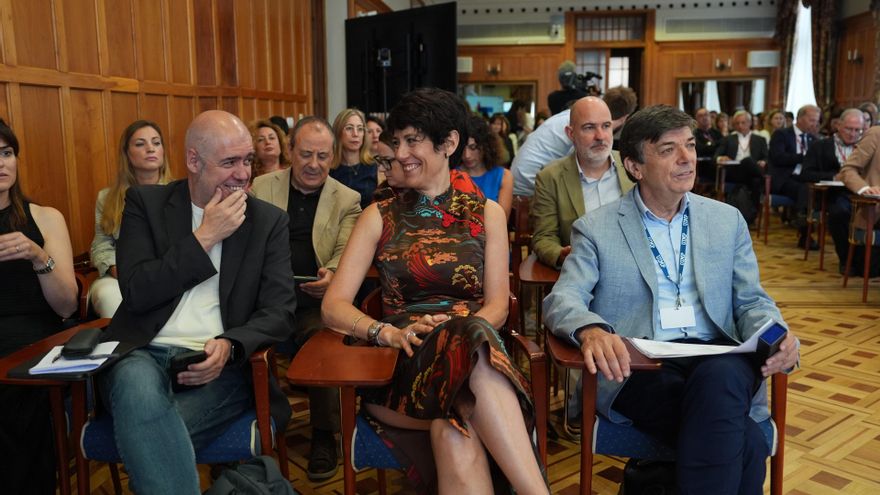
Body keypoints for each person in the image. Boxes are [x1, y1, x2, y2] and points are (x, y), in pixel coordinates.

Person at [544, 105, 799, 495]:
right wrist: (591, 329)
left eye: (691, 146)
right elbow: (564, 298)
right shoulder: (596, 228)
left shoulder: (726, 220)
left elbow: (751, 301)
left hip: (717, 354)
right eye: (668, 150)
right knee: (743, 437)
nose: (687, 159)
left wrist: (777, 334)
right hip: (643, 365)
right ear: (635, 167)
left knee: (722, 376)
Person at [322, 88, 547, 494]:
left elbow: (498, 303)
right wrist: (386, 333)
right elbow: (333, 306)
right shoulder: (378, 215)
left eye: (413, 140)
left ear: (449, 144)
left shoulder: (487, 214)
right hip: (400, 365)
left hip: (472, 360)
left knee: (454, 430)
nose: (401, 152)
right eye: (396, 141)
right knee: (470, 347)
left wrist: (460, 331)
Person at [97, 110, 296, 494]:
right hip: (143, 353)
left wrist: (230, 345)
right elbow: (137, 291)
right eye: (229, 163)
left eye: (247, 161)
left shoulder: (267, 221)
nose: (243, 174)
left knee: (150, 441)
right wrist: (204, 237)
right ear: (193, 161)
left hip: (219, 367)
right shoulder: (146, 204)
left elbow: (280, 311)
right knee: (141, 398)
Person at [251, 116, 362, 480]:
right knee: (240, 339)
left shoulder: (347, 198)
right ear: (290, 151)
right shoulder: (261, 187)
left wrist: (330, 276)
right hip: (266, 299)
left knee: (325, 342)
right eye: (306, 154)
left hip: (315, 302)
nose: (314, 164)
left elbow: (346, 251)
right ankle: (261, 425)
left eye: (323, 156)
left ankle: (323, 434)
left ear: (332, 157)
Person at [0, 119, 78, 495]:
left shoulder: (45, 217)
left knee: (17, 393)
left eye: (7, 153)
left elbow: (66, 305)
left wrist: (38, 256)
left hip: (36, 338)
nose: (2, 163)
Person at [531, 96, 635, 268]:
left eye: (606, 126)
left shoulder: (633, 166)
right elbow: (544, 237)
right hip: (582, 271)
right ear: (571, 134)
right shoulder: (550, 177)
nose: (600, 136)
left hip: (632, 267)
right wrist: (561, 254)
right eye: (589, 127)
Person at [90, 120, 172, 318]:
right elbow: (101, 246)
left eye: (156, 142)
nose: (150, 148)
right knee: (107, 295)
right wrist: (121, 271)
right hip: (123, 276)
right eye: (140, 144)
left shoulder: (181, 193)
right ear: (127, 154)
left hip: (169, 273)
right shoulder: (106, 197)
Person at [802, 109, 865, 272]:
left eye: (858, 130)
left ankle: (865, 260)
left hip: (861, 195)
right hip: (831, 195)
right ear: (838, 126)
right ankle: (846, 260)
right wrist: (833, 177)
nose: (853, 134)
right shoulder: (820, 146)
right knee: (840, 212)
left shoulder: (866, 147)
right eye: (849, 129)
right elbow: (806, 173)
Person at [769, 104, 820, 247]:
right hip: (785, 178)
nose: (814, 124)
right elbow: (778, 158)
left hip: (805, 178)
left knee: (813, 189)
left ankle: (804, 221)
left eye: (816, 121)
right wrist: (803, 157)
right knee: (805, 189)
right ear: (800, 118)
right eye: (812, 120)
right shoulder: (782, 134)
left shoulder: (814, 140)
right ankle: (805, 233)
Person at [836, 124, 880, 277]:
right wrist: (864, 188)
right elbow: (848, 170)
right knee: (869, 271)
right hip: (875, 210)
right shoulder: (876, 134)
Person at [714, 110, 769, 221]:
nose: (740, 126)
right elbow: (716, 156)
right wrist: (721, 158)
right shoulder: (728, 139)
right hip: (734, 171)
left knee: (755, 181)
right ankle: (764, 178)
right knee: (747, 161)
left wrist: (763, 161)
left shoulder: (760, 139)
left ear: (750, 123)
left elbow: (766, 157)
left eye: (743, 122)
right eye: (737, 123)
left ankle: (751, 214)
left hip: (752, 174)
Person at [459, 114, 513, 217]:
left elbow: (502, 220)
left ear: (486, 145)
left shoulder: (504, 177)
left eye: (473, 147)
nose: (467, 155)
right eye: (462, 148)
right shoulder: (451, 174)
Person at [330, 108, 376, 209]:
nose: (355, 134)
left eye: (360, 129)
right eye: (349, 128)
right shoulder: (329, 170)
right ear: (338, 132)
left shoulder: (374, 167)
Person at [693, 108, 724, 184]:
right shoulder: (694, 134)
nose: (704, 117)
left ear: (710, 117)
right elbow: (700, 149)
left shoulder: (717, 133)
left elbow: (723, 147)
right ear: (696, 119)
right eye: (701, 116)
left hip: (718, 164)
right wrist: (716, 145)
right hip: (703, 166)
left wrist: (711, 147)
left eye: (706, 115)